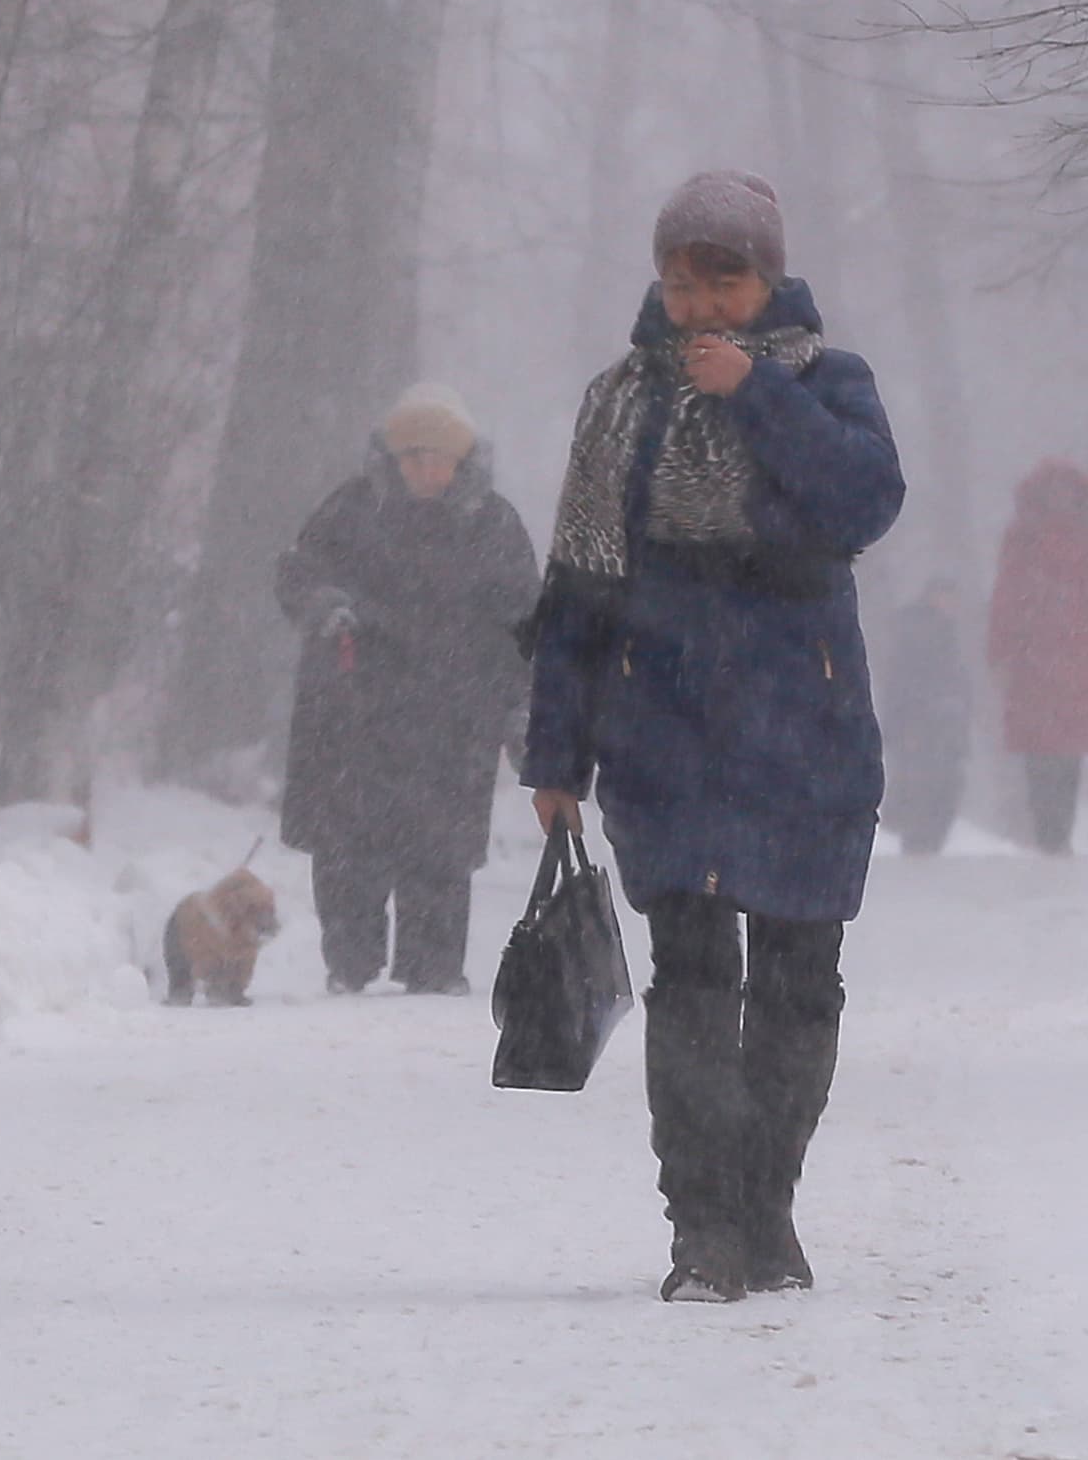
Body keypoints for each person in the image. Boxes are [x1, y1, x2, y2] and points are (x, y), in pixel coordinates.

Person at [523, 171, 904, 1302]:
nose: (700, 305)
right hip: (663, 731)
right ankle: (702, 1226)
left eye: (724, 278)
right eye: (681, 281)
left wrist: (756, 397)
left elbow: (862, 503)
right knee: (690, 980)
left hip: (808, 734)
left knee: (798, 983)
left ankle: (764, 1205)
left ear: (769, 277)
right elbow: (579, 588)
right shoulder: (618, 406)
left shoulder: (830, 383)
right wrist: (554, 755)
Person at [276, 386, 538, 996]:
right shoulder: (349, 511)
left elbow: (524, 622)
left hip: (454, 714)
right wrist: (326, 606)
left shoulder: (494, 526)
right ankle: (350, 962)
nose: (426, 470)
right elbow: (299, 571)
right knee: (347, 844)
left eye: (439, 458)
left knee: (442, 849)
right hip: (355, 710)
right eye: (413, 457)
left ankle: (434, 966)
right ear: (391, 460)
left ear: (463, 462)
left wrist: (522, 707)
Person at [987, 459, 1088, 855]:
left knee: (1066, 752)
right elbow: (1006, 599)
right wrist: (1002, 652)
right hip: (1043, 659)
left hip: (1063, 658)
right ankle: (1050, 831)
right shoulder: (1027, 539)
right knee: (1042, 751)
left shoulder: (1081, 542)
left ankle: (1056, 831)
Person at [879, 577, 971, 855]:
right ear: (933, 596)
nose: (953, 604)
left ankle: (923, 840)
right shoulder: (923, 630)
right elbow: (906, 679)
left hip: (936, 722)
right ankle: (921, 841)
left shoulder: (940, 629)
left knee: (934, 783)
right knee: (927, 784)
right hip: (924, 722)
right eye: (948, 596)